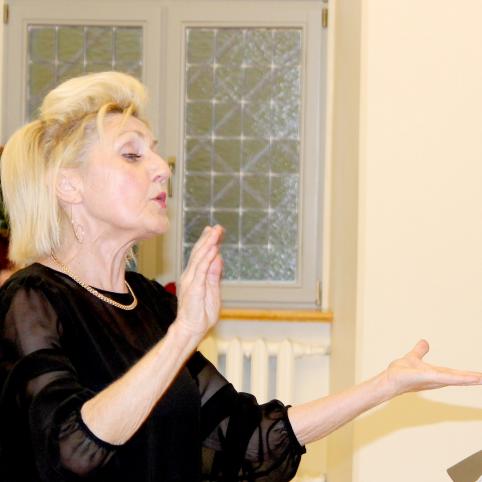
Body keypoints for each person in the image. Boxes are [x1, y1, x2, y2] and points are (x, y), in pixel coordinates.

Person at [0, 71, 479, 482]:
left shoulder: (150, 304)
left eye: (156, 153)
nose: (161, 169)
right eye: (132, 155)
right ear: (69, 185)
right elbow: (71, 450)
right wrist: (183, 334)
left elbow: (245, 439)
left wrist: (386, 385)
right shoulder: (30, 301)